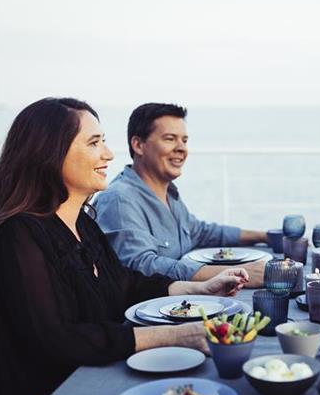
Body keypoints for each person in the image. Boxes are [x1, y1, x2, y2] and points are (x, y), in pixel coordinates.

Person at [0, 98, 248, 395]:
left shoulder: (81, 222)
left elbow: (123, 284)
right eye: (94, 143)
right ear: (50, 153)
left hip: (83, 386)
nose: (108, 154)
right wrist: (172, 336)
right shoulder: (18, 236)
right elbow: (58, 340)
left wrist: (198, 288)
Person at [94, 103, 268, 284]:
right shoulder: (119, 200)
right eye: (170, 139)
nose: (181, 148)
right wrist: (235, 274)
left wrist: (265, 236)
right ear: (138, 145)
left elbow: (202, 232)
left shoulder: (169, 194)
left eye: (184, 141)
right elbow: (142, 266)